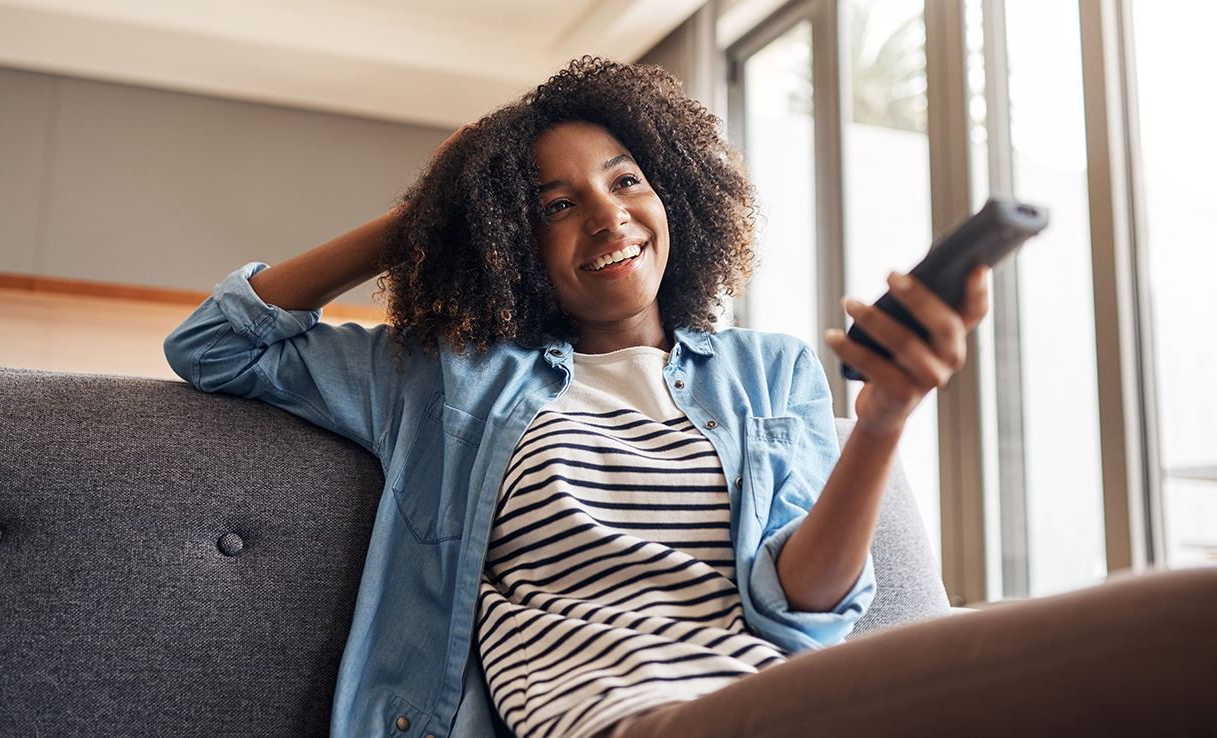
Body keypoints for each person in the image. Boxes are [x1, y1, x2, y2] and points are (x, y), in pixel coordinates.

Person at [165, 57, 1216, 738]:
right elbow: (216, 344)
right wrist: (422, 218)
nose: (608, 217)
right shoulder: (444, 373)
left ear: (674, 197)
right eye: (554, 205)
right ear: (509, 242)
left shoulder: (776, 374)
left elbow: (801, 607)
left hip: (767, 698)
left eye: (627, 181)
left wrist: (885, 418)